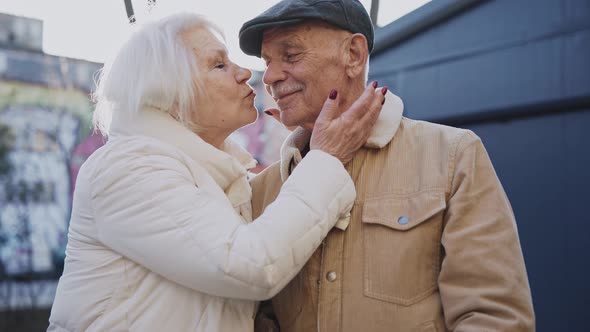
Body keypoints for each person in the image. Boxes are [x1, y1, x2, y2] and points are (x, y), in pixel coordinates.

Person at [47, 12, 385, 332]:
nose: (247, 73)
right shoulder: (128, 168)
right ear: (169, 92)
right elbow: (251, 265)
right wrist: (325, 157)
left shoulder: (214, 177)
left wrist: (307, 135)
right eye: (219, 64)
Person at [239, 0, 535, 331]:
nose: (270, 77)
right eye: (267, 62)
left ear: (353, 54)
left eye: (291, 55)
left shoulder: (451, 155)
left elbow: (494, 317)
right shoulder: (259, 192)